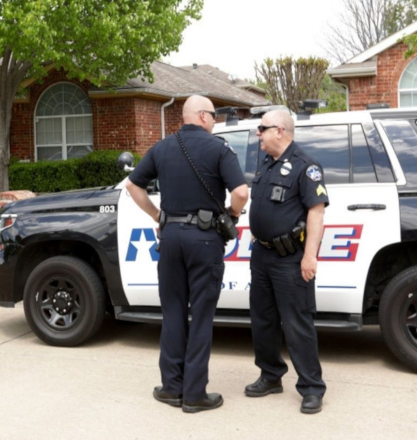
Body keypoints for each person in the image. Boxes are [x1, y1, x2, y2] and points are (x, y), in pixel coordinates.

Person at [126, 95, 248, 413]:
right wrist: (232, 215)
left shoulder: (162, 147)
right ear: (203, 116)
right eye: (214, 116)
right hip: (204, 240)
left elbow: (133, 186)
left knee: (173, 313)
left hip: (169, 238)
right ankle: (194, 394)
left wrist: (157, 216)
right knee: (202, 316)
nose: (215, 122)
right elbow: (241, 192)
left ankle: (171, 388)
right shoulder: (219, 149)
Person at [246, 110, 329, 414]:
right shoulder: (267, 163)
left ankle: (311, 388)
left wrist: (310, 256)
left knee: (297, 323)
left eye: (262, 128)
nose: (258, 133)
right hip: (262, 255)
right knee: (263, 320)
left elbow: (316, 212)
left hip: (291, 258)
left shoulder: (306, 166)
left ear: (279, 130)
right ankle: (270, 376)